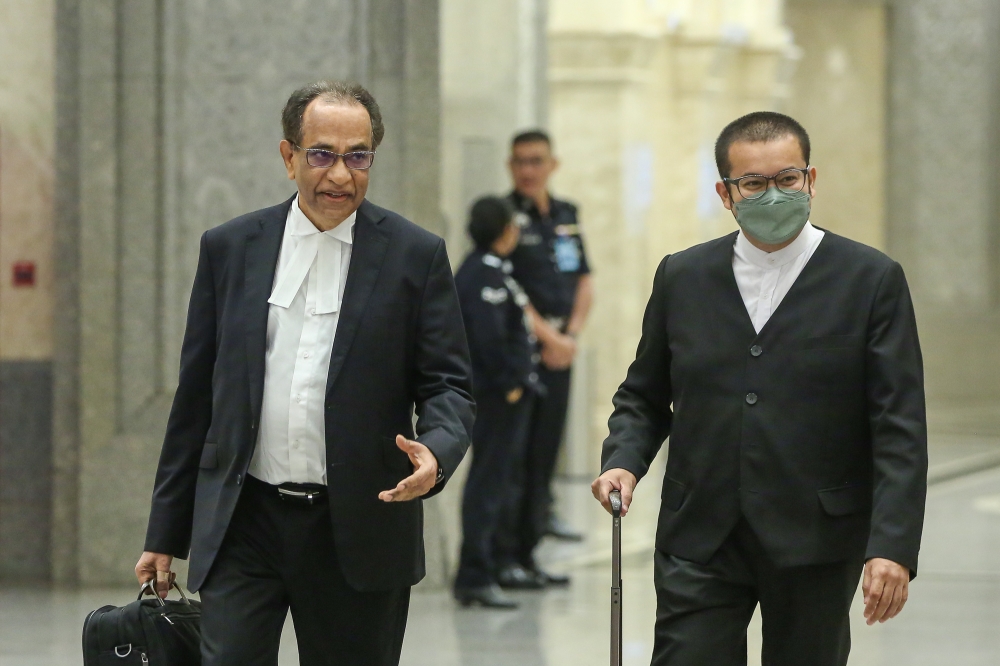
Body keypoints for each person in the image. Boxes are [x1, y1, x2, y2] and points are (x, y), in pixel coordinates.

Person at [134, 81, 475, 666]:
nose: (340, 176)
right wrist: (165, 531)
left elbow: (449, 384)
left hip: (359, 524)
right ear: (289, 157)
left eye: (357, 156)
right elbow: (196, 399)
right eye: (322, 154)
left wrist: (437, 452)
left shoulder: (414, 256)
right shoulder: (231, 247)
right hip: (245, 521)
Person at [592, 111, 927, 665]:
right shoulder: (683, 276)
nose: (773, 195)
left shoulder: (870, 280)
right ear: (726, 193)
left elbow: (898, 425)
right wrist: (623, 459)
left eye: (787, 179)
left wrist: (892, 546)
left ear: (810, 180)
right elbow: (644, 395)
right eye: (753, 183)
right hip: (700, 531)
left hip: (815, 537)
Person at [494, 130, 593, 589]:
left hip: (562, 348)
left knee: (545, 454)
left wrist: (570, 335)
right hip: (525, 350)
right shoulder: (505, 216)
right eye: (519, 162)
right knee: (515, 457)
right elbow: (509, 289)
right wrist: (550, 336)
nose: (527, 170)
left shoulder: (567, 215)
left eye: (536, 161)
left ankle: (531, 552)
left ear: (553, 164)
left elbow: (584, 280)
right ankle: (506, 555)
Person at [452, 196, 540, 609]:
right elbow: (487, 338)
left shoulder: (495, 271)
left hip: (507, 397)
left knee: (502, 482)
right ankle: (474, 574)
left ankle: (498, 563)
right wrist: (510, 384)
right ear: (504, 230)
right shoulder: (480, 274)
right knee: (488, 483)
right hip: (495, 397)